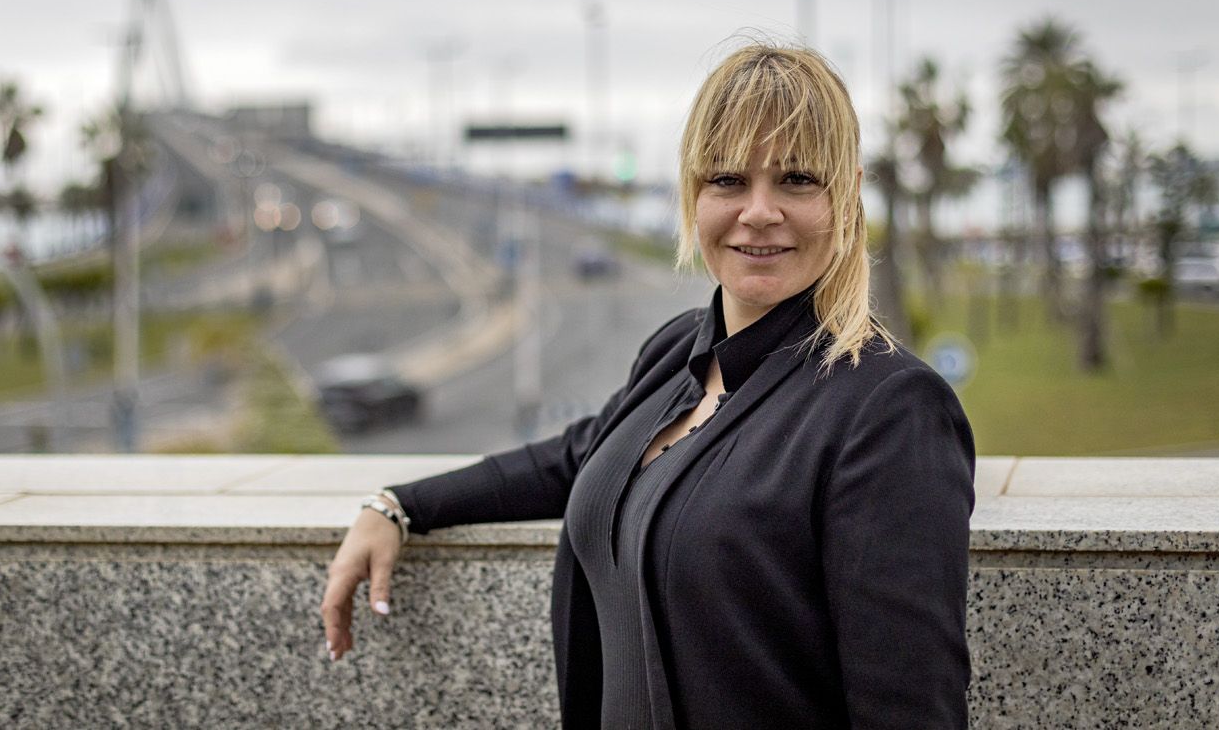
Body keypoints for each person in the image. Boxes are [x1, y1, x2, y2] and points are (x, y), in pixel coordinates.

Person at [320, 42, 976, 730]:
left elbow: (911, 710)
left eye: (796, 180)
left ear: (845, 196)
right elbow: (581, 457)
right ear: (693, 195)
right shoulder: (678, 350)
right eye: (727, 179)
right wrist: (397, 506)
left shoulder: (890, 408)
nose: (758, 211)